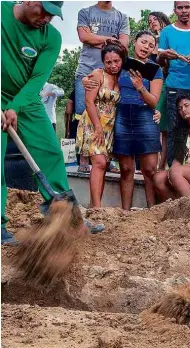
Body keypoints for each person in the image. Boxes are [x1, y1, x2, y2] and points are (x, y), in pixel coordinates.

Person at [1, 1, 103, 245]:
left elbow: (38, 79)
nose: (46, 18)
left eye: (52, 14)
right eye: (43, 11)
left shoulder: (51, 37)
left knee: (51, 152)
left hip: (26, 99)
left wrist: (15, 105)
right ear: (28, 1)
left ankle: (67, 219)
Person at [75, 1, 129, 173]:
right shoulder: (85, 12)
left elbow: (123, 45)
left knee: (109, 115)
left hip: (113, 72)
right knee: (82, 112)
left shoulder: (122, 17)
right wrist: (108, 40)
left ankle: (107, 156)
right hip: (87, 69)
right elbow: (84, 37)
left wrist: (96, 40)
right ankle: (84, 156)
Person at [112, 31, 163, 209]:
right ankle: (125, 213)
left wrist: (141, 87)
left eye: (151, 45)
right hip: (123, 116)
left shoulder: (155, 70)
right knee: (126, 169)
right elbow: (106, 78)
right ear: (135, 42)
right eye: (143, 42)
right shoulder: (122, 63)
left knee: (149, 170)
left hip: (145, 117)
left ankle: (152, 211)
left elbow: (154, 101)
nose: (146, 47)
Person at [76, 41, 127, 208]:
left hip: (110, 126)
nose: (113, 65)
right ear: (103, 62)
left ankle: (93, 205)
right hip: (93, 122)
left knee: (103, 164)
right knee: (99, 163)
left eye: (116, 61)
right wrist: (97, 127)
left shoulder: (122, 76)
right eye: (108, 62)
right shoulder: (98, 74)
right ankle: (97, 208)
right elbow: (89, 102)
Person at [158, 1, 190, 167]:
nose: (184, 11)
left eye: (187, 7)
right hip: (174, 86)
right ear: (174, 10)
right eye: (180, 7)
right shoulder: (166, 32)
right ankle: (174, 169)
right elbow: (160, 63)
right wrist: (165, 55)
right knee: (174, 130)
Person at [148, 11, 171, 170]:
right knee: (153, 126)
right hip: (152, 85)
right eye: (149, 21)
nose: (152, 22)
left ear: (163, 19)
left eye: (155, 19)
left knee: (165, 129)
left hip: (168, 83)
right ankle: (153, 165)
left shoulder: (170, 35)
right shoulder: (150, 41)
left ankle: (162, 166)